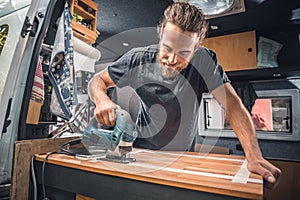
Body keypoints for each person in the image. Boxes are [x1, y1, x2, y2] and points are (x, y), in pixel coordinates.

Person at [88, 2, 281, 189]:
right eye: (167, 48)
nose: (172, 59)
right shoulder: (137, 59)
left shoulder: (205, 61)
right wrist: (102, 100)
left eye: (183, 53)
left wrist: (254, 155)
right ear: (161, 35)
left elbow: (232, 104)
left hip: (183, 154)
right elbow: (97, 81)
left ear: (196, 49)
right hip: (141, 151)